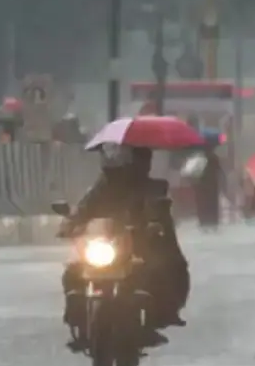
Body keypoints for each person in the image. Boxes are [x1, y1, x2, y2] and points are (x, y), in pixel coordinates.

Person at [60, 145, 190, 348]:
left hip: (138, 247)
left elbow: (160, 215)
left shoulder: (152, 188)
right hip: (106, 244)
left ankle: (155, 318)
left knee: (161, 269)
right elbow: (84, 208)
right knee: (72, 271)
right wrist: (70, 223)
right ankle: (77, 319)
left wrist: (154, 224)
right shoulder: (102, 187)